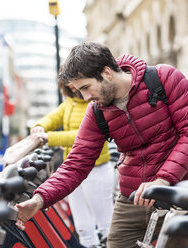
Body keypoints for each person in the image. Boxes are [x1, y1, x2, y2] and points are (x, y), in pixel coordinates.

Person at [17, 42, 188, 248]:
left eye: (86, 87)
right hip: (131, 197)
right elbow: (76, 163)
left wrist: (162, 180)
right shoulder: (97, 110)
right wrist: (39, 199)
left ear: (107, 73)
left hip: (174, 191)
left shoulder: (164, 78)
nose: (86, 97)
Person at [31, 80, 114, 247]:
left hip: (96, 169)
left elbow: (84, 134)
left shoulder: (95, 102)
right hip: (74, 170)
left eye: (73, 81)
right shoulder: (70, 102)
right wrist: (40, 126)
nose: (71, 86)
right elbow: (53, 117)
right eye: (66, 82)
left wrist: (50, 137)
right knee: (83, 227)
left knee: (107, 226)